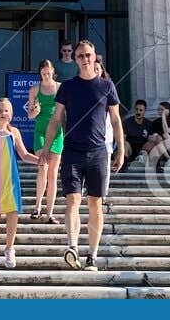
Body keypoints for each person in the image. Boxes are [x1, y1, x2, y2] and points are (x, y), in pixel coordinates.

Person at [42, 39, 124, 270]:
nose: (85, 59)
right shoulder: (67, 87)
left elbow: (116, 120)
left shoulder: (107, 86)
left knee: (95, 203)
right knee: (72, 200)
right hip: (72, 151)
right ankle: (73, 247)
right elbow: (56, 119)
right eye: (80, 56)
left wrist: (121, 149)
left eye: (88, 55)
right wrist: (46, 149)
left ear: (94, 56)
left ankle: (92, 256)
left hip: (99, 152)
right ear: (75, 60)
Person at [0, 98, 37, 270]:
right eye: (0, 110)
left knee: (13, 213)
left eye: (6, 111)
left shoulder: (15, 132)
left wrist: (40, 160)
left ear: (11, 114)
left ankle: (10, 249)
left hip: (11, 180)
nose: (3, 113)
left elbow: (24, 154)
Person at [25, 59, 64, 222]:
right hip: (41, 131)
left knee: (53, 174)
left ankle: (50, 213)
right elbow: (30, 115)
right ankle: (37, 207)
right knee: (42, 167)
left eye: (49, 73)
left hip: (56, 132)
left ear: (53, 72)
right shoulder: (35, 89)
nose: (46, 76)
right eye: (43, 73)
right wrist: (35, 110)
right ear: (40, 73)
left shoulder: (60, 87)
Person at [144, 101, 170, 167]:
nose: (159, 111)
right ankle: (169, 159)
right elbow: (149, 136)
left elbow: (166, 131)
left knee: (166, 135)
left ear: (168, 111)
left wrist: (164, 117)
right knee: (158, 137)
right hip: (162, 150)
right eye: (158, 109)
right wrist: (153, 136)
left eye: (162, 110)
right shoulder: (155, 123)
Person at [120, 99, 151, 169]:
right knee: (125, 143)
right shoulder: (127, 122)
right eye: (136, 109)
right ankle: (123, 164)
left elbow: (150, 139)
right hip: (130, 149)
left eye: (141, 110)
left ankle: (154, 164)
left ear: (145, 111)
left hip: (143, 151)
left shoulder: (149, 124)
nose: (138, 112)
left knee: (151, 143)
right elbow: (123, 138)